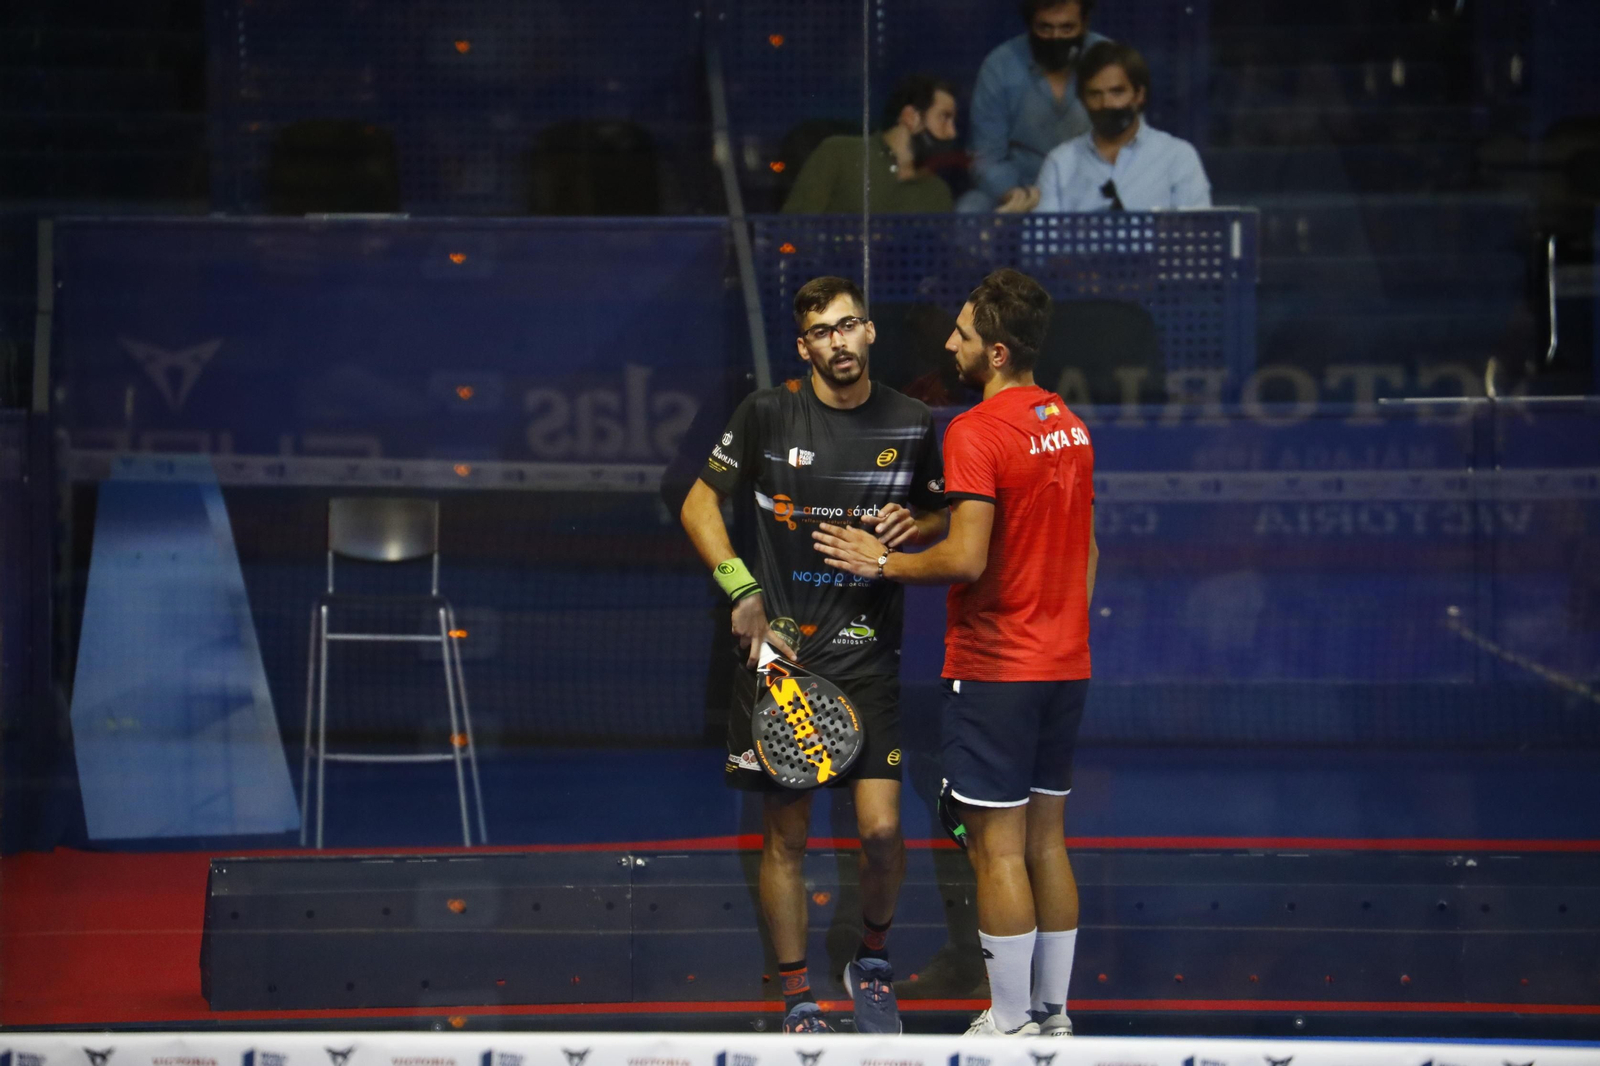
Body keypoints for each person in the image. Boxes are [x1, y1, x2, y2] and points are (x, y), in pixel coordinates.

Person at [811, 268, 1097, 1038]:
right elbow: (1077, 543)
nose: (950, 342)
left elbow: (969, 561)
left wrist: (882, 562)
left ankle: (1006, 1025)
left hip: (997, 667)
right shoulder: (1068, 423)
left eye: (964, 334)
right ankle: (1052, 1015)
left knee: (999, 852)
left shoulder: (977, 429)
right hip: (1065, 663)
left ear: (996, 352)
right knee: (1047, 842)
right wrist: (931, 526)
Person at [678, 276, 950, 1034]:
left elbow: (940, 517)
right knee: (787, 837)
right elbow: (698, 503)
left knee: (883, 833)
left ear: (869, 333)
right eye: (822, 332)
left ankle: (871, 961)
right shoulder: (767, 415)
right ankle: (798, 997)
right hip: (782, 659)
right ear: (804, 347)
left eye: (849, 325)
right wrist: (740, 588)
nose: (839, 341)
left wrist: (910, 529)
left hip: (868, 656)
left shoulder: (912, 419)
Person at [959, 0, 1111, 214]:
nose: (1056, 37)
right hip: (1023, 189)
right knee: (970, 209)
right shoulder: (1000, 65)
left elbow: (1129, 141)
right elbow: (985, 157)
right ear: (1030, 25)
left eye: (1067, 28)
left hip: (1091, 187)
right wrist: (1017, 194)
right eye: (1045, 28)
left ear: (1084, 24)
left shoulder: (1109, 60)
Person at [1035, 41, 1211, 212]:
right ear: (1082, 99)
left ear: (1139, 95)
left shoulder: (1178, 157)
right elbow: (1041, 240)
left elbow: (1198, 236)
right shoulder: (1059, 163)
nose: (1106, 103)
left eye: (1117, 92)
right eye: (1095, 94)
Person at [782, 75, 958, 214]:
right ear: (910, 117)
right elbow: (793, 231)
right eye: (944, 117)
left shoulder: (937, 193)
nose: (952, 132)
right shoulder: (839, 154)